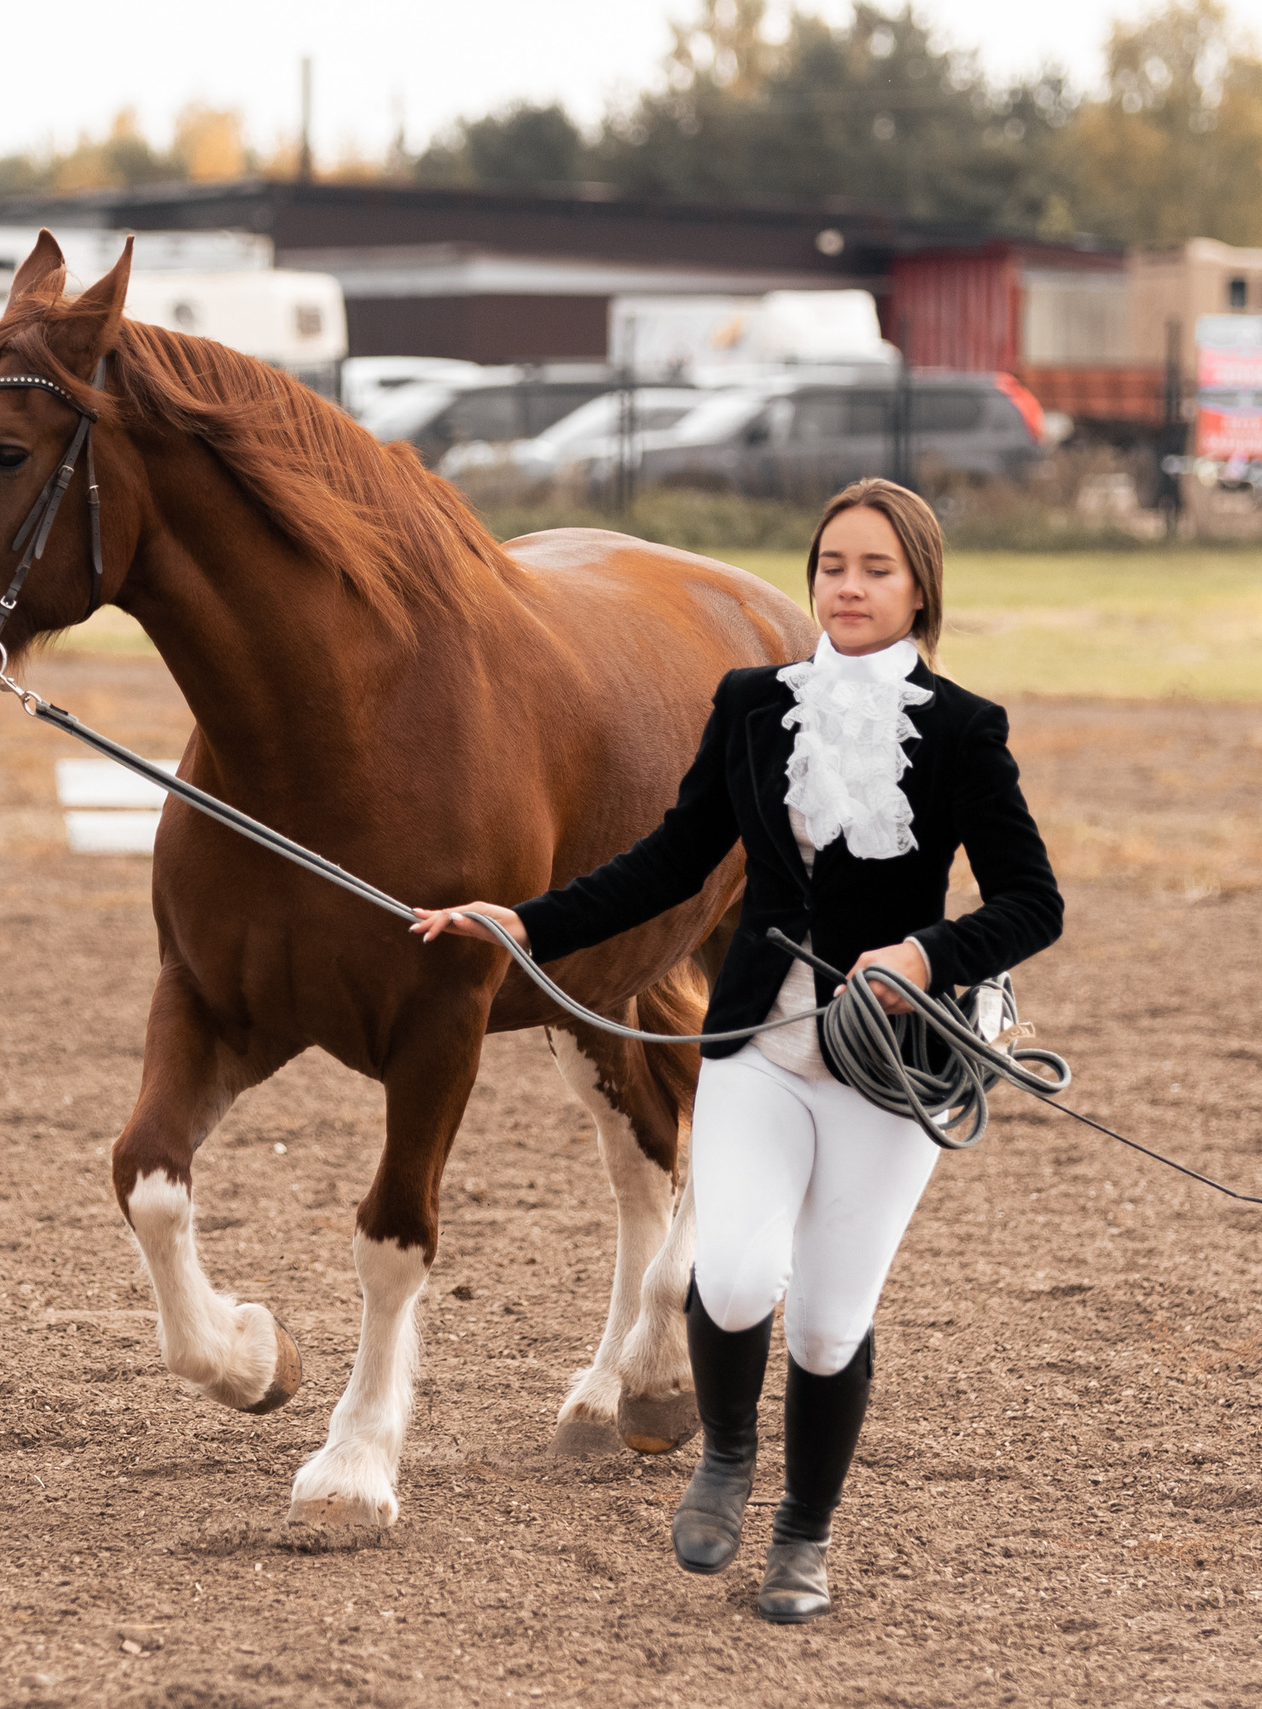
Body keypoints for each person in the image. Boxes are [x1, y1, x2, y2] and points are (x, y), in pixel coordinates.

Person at [413, 478, 1061, 1623]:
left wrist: (922, 951)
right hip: (757, 1043)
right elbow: (671, 857)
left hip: (885, 1066)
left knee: (823, 1324)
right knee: (731, 1275)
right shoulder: (754, 704)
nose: (847, 587)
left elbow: (1030, 900)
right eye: (831, 566)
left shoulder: (966, 729)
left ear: (918, 591)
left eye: (874, 569)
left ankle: (802, 1537)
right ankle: (723, 1453)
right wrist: (530, 919)